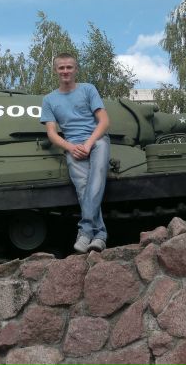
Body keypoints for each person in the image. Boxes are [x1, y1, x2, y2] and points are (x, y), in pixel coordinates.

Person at [40, 52, 110, 254]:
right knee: (83, 188)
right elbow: (52, 133)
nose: (65, 71)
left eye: (69, 67)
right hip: (73, 146)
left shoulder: (88, 89)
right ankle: (100, 236)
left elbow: (104, 121)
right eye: (61, 67)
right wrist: (71, 147)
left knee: (97, 178)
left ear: (76, 69)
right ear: (55, 70)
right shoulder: (49, 100)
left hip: (96, 141)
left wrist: (88, 144)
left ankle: (85, 230)